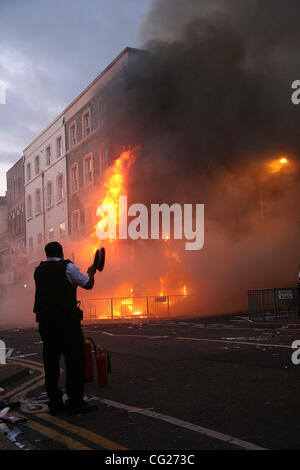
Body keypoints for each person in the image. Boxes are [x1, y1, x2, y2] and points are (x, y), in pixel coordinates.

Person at [34, 241, 98, 416]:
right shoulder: (69, 268)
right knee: (75, 362)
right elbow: (88, 285)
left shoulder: (37, 270)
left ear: (46, 254)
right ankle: (75, 403)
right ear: (62, 253)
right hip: (67, 324)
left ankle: (55, 404)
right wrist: (91, 273)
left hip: (46, 324)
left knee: (51, 364)